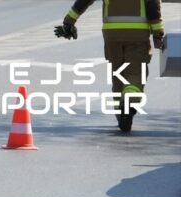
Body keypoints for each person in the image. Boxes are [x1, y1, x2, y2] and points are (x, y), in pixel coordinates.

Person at [56, 0, 166, 132]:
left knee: (117, 72)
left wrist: (69, 20)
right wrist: (158, 32)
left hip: (111, 32)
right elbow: (153, 4)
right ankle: (128, 102)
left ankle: (121, 114)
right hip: (138, 32)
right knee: (135, 72)